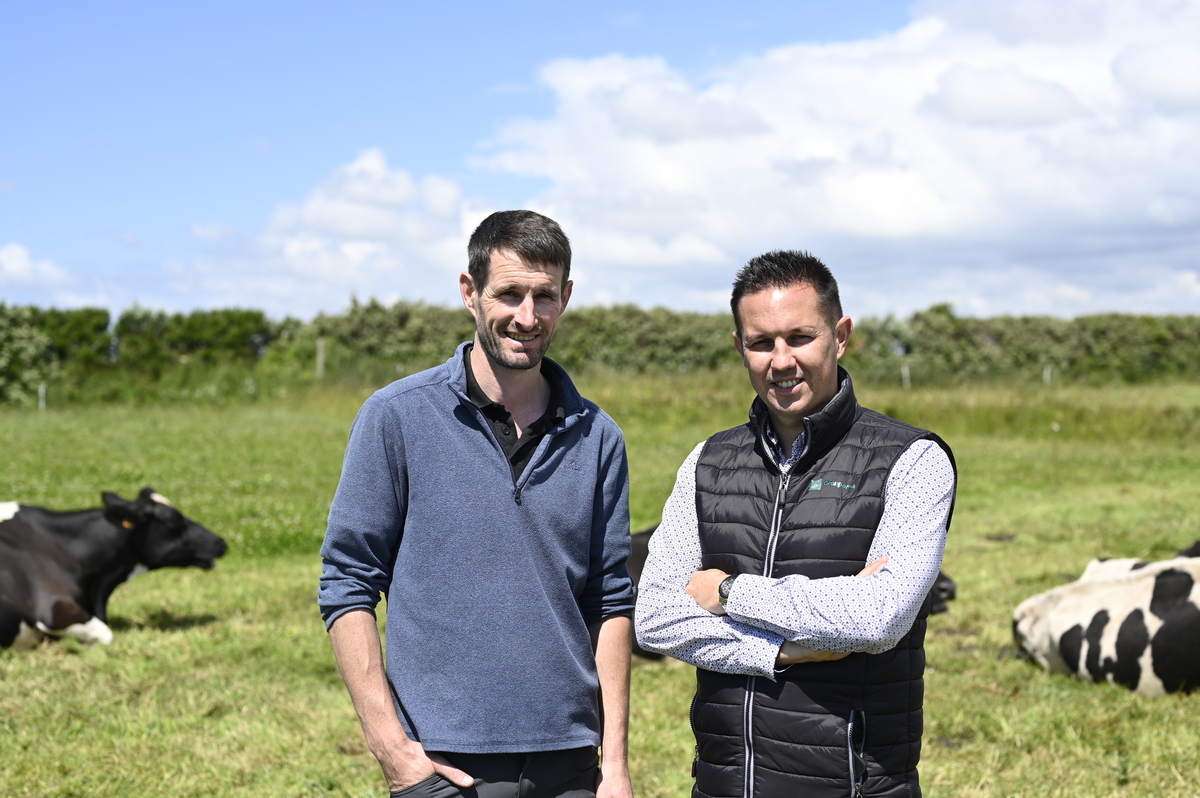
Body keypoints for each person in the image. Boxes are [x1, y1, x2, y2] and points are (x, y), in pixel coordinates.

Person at [319, 210, 636, 798]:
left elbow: (611, 600)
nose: (527, 316)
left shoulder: (599, 437)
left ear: (565, 297)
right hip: (444, 765)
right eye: (508, 293)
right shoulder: (396, 418)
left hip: (570, 765)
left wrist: (614, 766)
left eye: (544, 296)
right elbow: (347, 584)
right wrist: (393, 751)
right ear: (470, 293)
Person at [634, 250, 957, 798]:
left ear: (840, 334)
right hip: (723, 782)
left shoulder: (913, 460)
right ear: (740, 348)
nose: (781, 360)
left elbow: (878, 619)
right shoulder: (707, 462)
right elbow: (655, 619)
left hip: (854, 785)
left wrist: (730, 592)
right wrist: (780, 651)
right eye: (761, 343)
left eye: (800, 337)